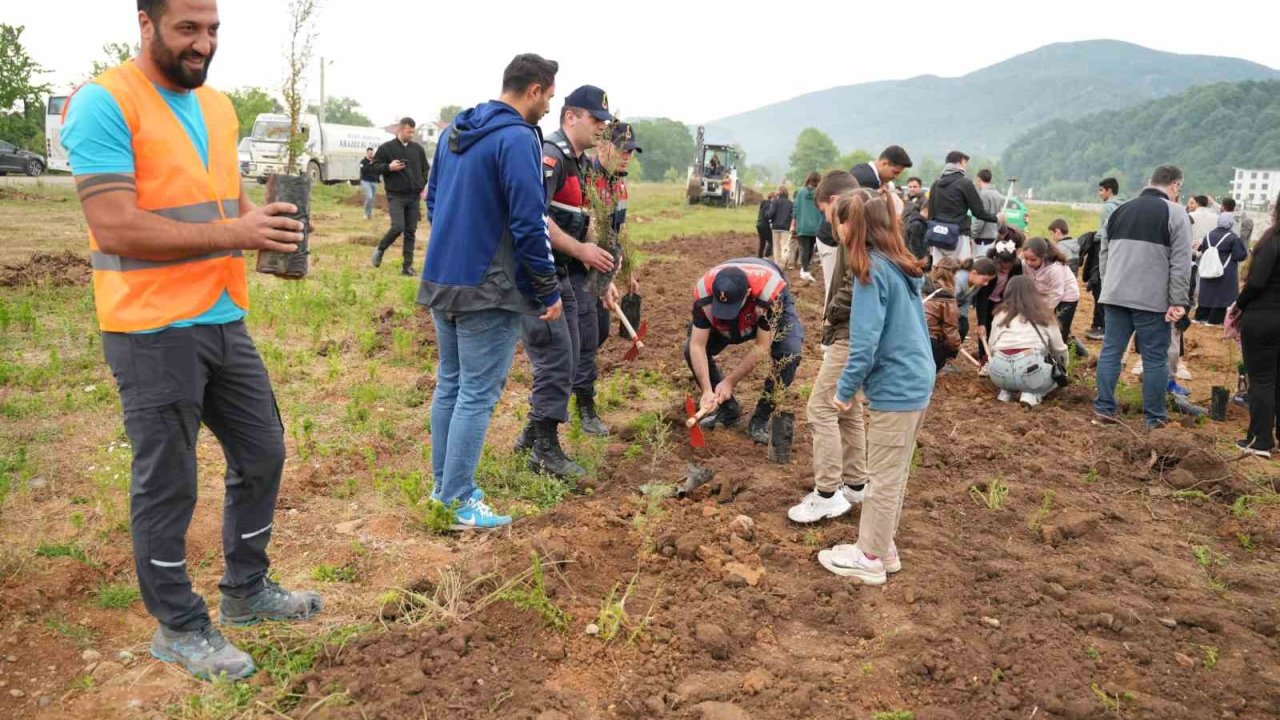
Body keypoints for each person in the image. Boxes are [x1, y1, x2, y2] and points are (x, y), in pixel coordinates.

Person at [60, 0, 322, 681]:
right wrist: (236, 233)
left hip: (220, 315)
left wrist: (256, 220)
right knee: (168, 481)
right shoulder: (102, 102)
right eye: (187, 29)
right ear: (145, 24)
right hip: (149, 326)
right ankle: (178, 626)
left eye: (212, 30)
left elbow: (222, 195)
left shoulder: (219, 107)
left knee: (263, 450)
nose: (203, 43)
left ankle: (246, 591)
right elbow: (116, 226)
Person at [421, 54, 562, 527]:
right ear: (536, 90)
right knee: (477, 392)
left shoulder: (452, 134)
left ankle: (442, 490)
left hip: (443, 277)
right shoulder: (517, 139)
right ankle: (459, 499)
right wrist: (546, 289)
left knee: (451, 384)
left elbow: (434, 203)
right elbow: (529, 221)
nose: (551, 104)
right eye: (550, 94)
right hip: (491, 286)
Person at [818, 188, 933, 584]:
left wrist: (844, 391)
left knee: (881, 477)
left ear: (858, 226)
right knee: (894, 473)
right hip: (917, 379)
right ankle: (884, 548)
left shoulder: (871, 271)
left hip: (897, 385)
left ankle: (868, 558)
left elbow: (864, 343)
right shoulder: (900, 265)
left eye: (843, 221)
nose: (839, 227)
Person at [513, 85, 616, 479]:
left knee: (571, 354)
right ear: (570, 116)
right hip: (543, 275)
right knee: (557, 357)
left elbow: (582, 217)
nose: (600, 129)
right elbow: (537, 217)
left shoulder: (579, 162)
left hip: (566, 274)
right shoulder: (551, 157)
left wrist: (596, 258)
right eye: (595, 120)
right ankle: (544, 449)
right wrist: (581, 250)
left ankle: (531, 438)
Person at [788, 172, 863, 525]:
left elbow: (856, 282)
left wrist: (831, 314)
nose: (825, 221)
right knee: (848, 409)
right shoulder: (868, 223)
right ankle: (856, 484)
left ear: (834, 201)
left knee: (820, 407)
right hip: (856, 335)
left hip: (850, 334)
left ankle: (828, 494)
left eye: (824, 212)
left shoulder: (858, 232)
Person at [1094, 165, 1193, 429]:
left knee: (1111, 351)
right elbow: (1181, 263)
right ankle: (1154, 417)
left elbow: (1104, 254)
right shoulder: (1176, 213)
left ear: (1150, 182)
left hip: (1115, 295)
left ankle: (1104, 408)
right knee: (1154, 358)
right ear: (1176, 186)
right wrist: (1178, 301)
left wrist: (1109, 286)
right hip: (1152, 300)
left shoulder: (1118, 210)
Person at [687, 258, 803, 445]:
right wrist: (707, 389)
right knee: (689, 349)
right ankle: (728, 409)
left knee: (789, 354)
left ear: (747, 293)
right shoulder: (703, 293)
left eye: (730, 308)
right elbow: (697, 345)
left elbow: (761, 347)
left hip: (765, 304)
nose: (725, 312)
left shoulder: (769, 294)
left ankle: (760, 419)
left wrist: (729, 382)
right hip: (742, 305)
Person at [580, 120, 641, 431]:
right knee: (588, 335)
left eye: (631, 150)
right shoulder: (586, 178)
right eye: (622, 149)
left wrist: (627, 270)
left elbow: (620, 229)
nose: (627, 155)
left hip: (604, 268)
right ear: (603, 145)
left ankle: (576, 388)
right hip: (580, 268)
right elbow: (592, 231)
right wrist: (606, 281)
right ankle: (584, 406)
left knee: (599, 332)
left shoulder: (620, 183)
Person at [927, 151, 1001, 338]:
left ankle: (934, 318)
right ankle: (955, 322)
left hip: (937, 237)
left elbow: (931, 213)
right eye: (966, 163)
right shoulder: (964, 183)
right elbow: (978, 211)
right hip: (958, 237)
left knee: (939, 277)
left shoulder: (936, 184)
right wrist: (996, 218)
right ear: (961, 162)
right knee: (959, 277)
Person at [1233, 204, 1280, 458]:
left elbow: (1257, 282)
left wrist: (1239, 304)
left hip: (1264, 317)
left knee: (1261, 380)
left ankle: (1261, 440)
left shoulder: (1272, 241)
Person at [986, 276, 1069, 407]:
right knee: (1055, 378)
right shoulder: (1044, 316)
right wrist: (1064, 368)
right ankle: (1032, 395)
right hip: (1030, 370)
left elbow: (991, 346)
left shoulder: (1000, 314)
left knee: (1011, 374)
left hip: (998, 373)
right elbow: (1059, 349)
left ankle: (1006, 392)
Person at [370, 117, 430, 276]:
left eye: (413, 132)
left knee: (411, 231)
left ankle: (407, 267)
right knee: (398, 227)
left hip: (413, 196)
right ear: (400, 129)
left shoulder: (417, 149)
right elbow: (374, 168)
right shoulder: (386, 148)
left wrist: (422, 185)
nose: (411, 134)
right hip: (395, 195)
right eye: (409, 132)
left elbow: (425, 169)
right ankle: (380, 249)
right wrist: (389, 167)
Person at [1021, 237, 1084, 356]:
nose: (1029, 262)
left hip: (1067, 297)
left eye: (1033, 259)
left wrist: (1044, 312)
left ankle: (1061, 360)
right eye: (1026, 258)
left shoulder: (1055, 268)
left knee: (1059, 330)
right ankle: (1048, 354)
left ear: (1043, 257)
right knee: (1045, 327)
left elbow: (1057, 293)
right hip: (1046, 294)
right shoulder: (1025, 265)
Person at [1193, 212, 1248, 325]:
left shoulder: (1208, 235)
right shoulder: (1232, 238)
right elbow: (1240, 255)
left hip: (1208, 268)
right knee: (1222, 295)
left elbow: (1203, 249)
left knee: (1207, 293)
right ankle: (1215, 319)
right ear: (1231, 223)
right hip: (1225, 270)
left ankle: (1201, 316)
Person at [974, 239, 1022, 368]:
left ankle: (1000, 358)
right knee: (986, 329)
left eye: (1009, 265)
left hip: (1003, 302)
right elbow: (982, 297)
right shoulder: (989, 268)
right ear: (996, 260)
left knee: (1002, 328)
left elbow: (1017, 286)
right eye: (1002, 265)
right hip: (987, 300)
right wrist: (981, 323)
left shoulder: (1017, 267)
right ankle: (984, 359)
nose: (1005, 268)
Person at [924, 259, 961, 372]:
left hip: (912, 335)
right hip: (930, 341)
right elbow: (950, 328)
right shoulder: (946, 296)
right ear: (953, 274)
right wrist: (954, 348)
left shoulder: (922, 286)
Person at [790, 172, 822, 282]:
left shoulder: (800, 192)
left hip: (802, 226)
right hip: (815, 227)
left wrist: (793, 224)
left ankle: (804, 270)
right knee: (810, 250)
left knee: (804, 248)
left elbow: (795, 209)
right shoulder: (819, 194)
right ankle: (805, 269)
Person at [1077, 229, 1105, 341]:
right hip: (1100, 275)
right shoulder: (1097, 238)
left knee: (1101, 300)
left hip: (1102, 276)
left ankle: (1100, 328)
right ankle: (1098, 326)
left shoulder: (1104, 240)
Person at [971, 169, 1004, 257]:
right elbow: (1000, 217)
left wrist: (972, 234)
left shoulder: (982, 195)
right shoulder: (998, 195)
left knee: (979, 263)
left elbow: (981, 217)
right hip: (993, 236)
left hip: (982, 238)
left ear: (979, 179)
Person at [769, 185, 794, 269]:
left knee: (776, 246)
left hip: (776, 227)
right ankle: (783, 261)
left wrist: (770, 219)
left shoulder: (775, 202)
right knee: (785, 246)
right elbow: (792, 215)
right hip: (786, 227)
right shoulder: (790, 203)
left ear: (779, 193)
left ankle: (777, 264)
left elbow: (771, 213)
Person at [358, 146, 379, 220]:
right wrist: (370, 164)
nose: (371, 154)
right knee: (369, 197)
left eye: (372, 153)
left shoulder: (375, 161)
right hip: (366, 181)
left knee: (372, 199)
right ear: (367, 153)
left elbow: (378, 170)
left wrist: (378, 179)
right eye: (369, 153)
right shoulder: (363, 161)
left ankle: (369, 214)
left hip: (374, 182)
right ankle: (366, 213)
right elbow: (363, 170)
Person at [756, 191, 774, 259]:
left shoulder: (763, 204)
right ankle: (766, 256)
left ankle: (759, 256)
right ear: (772, 198)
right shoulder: (769, 204)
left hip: (759, 224)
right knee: (771, 241)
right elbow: (767, 215)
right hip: (765, 225)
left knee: (762, 242)